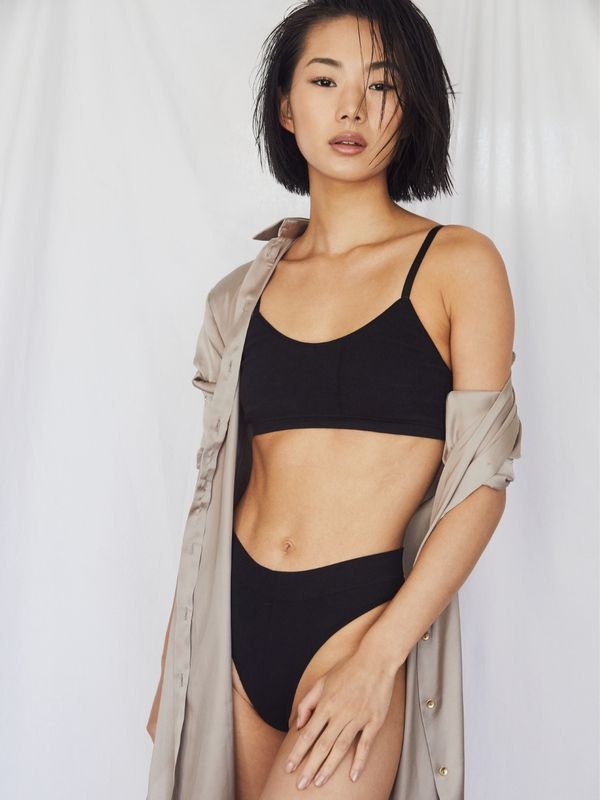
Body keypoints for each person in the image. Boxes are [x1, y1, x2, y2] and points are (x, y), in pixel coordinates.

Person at [146, 2, 522, 798]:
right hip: (231, 630)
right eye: (325, 81)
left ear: (412, 106)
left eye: (381, 85)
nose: (352, 108)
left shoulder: (458, 264)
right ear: (286, 107)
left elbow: (482, 484)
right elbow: (215, 489)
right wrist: (177, 657)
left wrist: (379, 659)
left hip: (357, 627)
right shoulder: (238, 295)